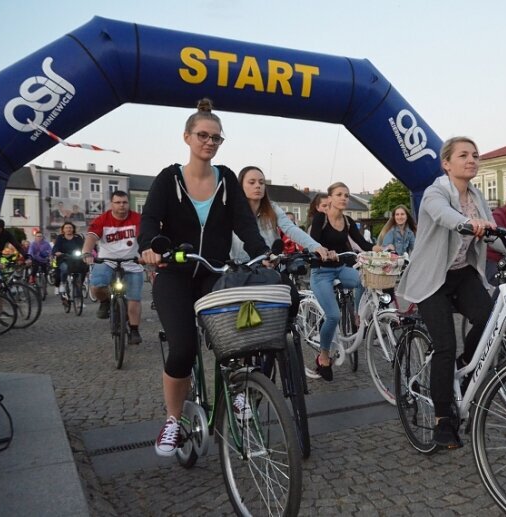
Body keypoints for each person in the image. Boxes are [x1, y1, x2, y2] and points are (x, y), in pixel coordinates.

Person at [138, 98, 269, 457]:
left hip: (215, 271)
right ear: (187, 137)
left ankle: (238, 395)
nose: (209, 143)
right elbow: (149, 220)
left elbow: (244, 223)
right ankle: (172, 420)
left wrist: (262, 253)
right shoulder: (169, 179)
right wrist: (150, 246)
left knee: (236, 340)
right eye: (203, 136)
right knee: (183, 347)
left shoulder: (226, 178)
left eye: (216, 138)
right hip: (175, 273)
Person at [397, 136, 506, 449]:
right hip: (432, 279)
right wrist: (469, 224)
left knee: (489, 323)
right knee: (444, 343)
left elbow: (491, 234)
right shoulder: (435, 192)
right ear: (447, 163)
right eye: (463, 155)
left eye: (475, 155)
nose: (471, 159)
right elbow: (446, 217)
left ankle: (463, 365)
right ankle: (443, 419)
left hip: (461, 275)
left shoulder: (476, 194)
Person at [231, 165, 331, 314]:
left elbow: (290, 229)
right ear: (241, 186)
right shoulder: (232, 210)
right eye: (251, 182)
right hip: (239, 269)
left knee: (292, 298)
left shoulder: (272, 208)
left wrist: (315, 246)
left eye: (261, 182)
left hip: (269, 268)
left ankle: (285, 331)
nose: (258, 186)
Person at [309, 182, 382, 381]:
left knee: (364, 280)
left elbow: (363, 243)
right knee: (332, 316)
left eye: (347, 195)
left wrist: (379, 249)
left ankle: (358, 315)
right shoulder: (320, 219)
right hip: (321, 273)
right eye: (339, 194)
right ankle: (323, 357)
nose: (344, 198)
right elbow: (313, 243)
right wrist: (323, 251)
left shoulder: (348, 221)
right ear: (330, 198)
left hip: (341, 268)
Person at [83, 191, 144, 344]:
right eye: (118, 202)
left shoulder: (137, 218)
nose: (121, 205)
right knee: (97, 287)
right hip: (107, 260)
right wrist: (86, 252)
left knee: (134, 298)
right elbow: (91, 237)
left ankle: (134, 330)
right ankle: (105, 302)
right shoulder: (103, 219)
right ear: (112, 204)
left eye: (124, 202)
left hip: (132, 262)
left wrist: (146, 253)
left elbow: (145, 237)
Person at [52, 221, 85, 294]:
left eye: (70, 227)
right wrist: (57, 252)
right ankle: (63, 283)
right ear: (63, 230)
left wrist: (85, 253)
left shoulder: (78, 237)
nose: (68, 229)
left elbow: (83, 247)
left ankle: (79, 297)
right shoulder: (60, 237)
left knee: (84, 268)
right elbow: (56, 247)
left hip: (76, 258)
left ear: (73, 229)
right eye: (66, 228)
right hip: (63, 258)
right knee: (64, 268)